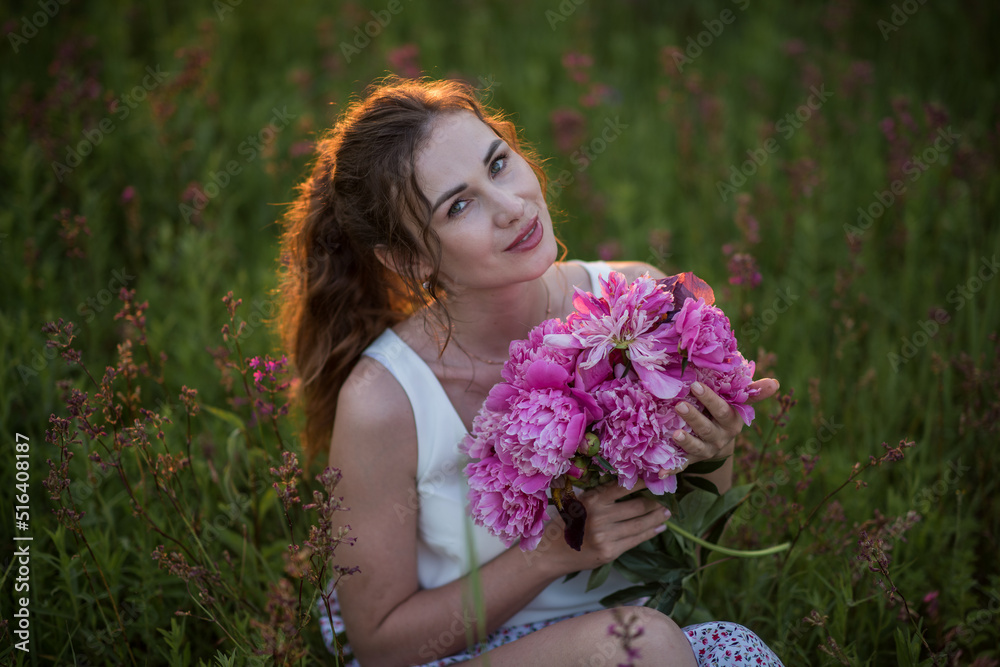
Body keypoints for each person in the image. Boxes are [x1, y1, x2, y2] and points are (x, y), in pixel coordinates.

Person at [278, 77, 783, 666]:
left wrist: (712, 451)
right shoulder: (386, 397)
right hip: (469, 654)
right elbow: (381, 642)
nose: (513, 207)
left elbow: (691, 545)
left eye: (498, 164)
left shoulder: (636, 307)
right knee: (640, 646)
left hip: (632, 638)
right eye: (459, 205)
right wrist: (550, 553)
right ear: (411, 259)